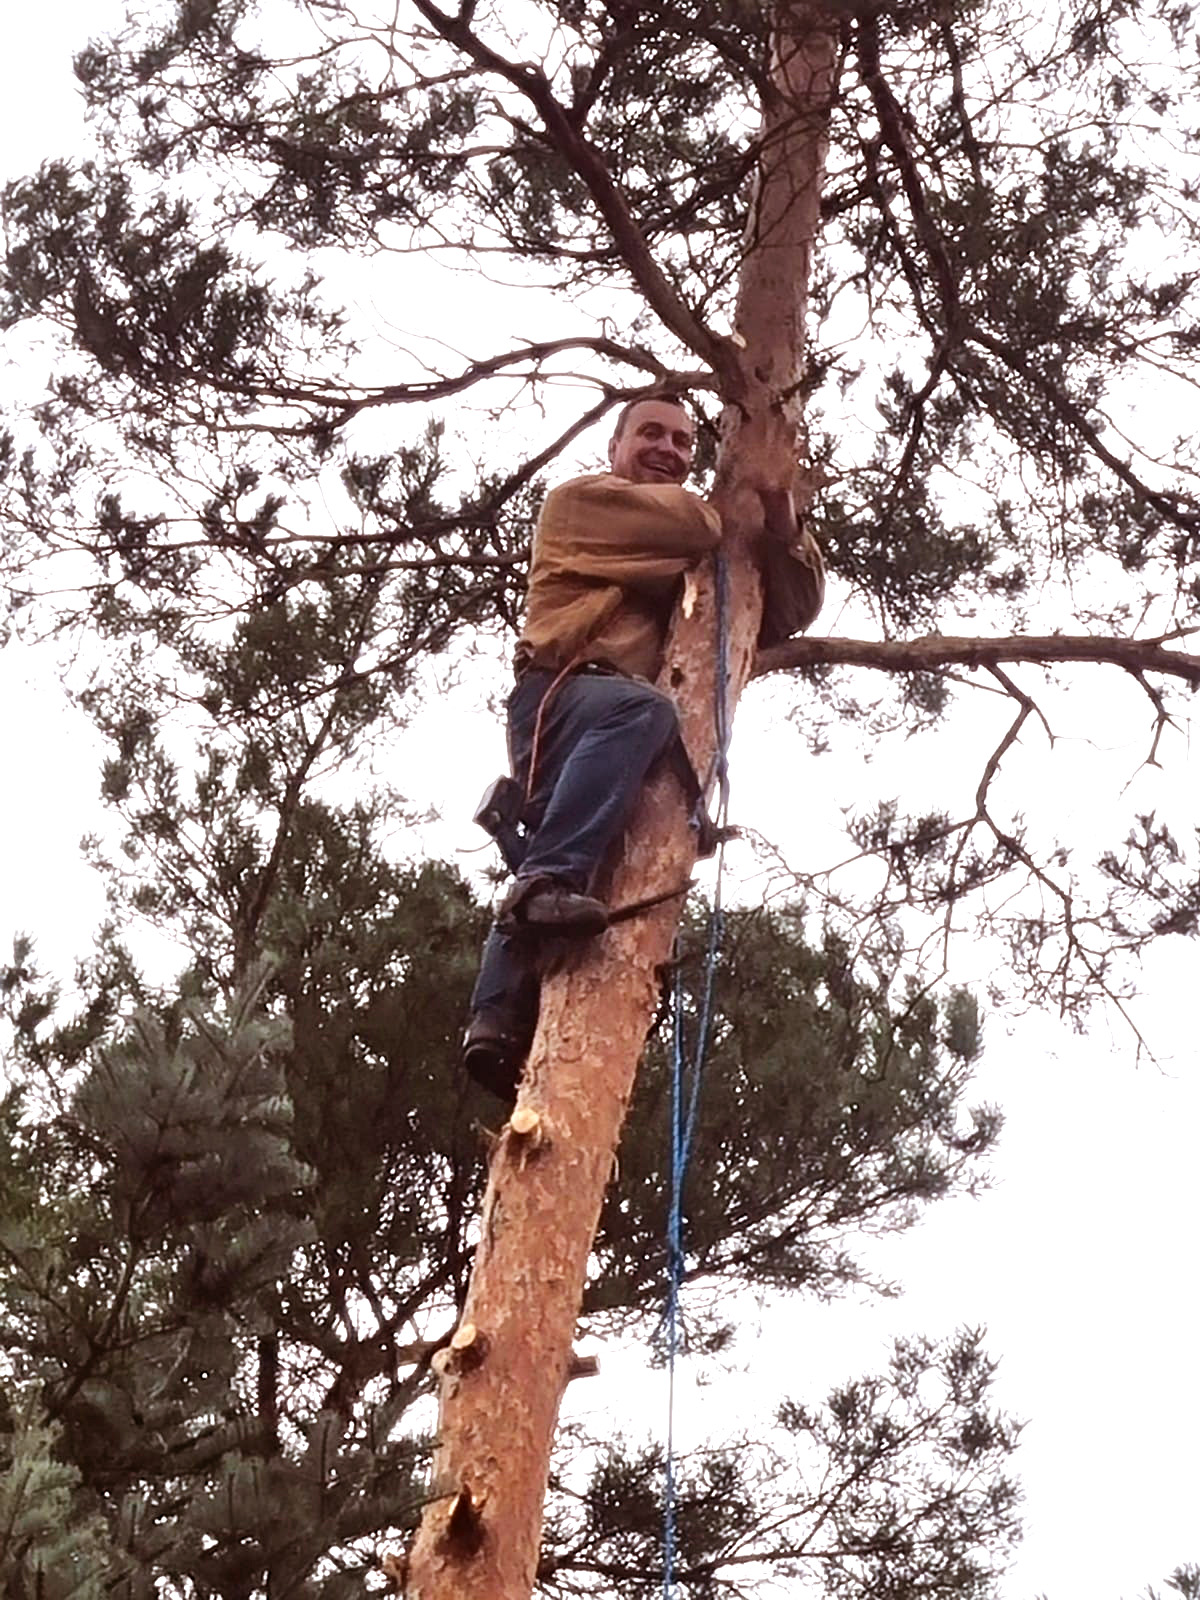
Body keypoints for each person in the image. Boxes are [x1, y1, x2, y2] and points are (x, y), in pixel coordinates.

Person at [462, 393, 825, 1103]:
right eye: (650, 434)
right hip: (567, 697)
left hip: (615, 729)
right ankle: (543, 890)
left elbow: (786, 608)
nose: (668, 449)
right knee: (636, 718)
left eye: (684, 443)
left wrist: (787, 531)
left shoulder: (665, 545)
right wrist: (742, 501)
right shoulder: (582, 504)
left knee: (595, 860)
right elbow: (701, 522)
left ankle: (500, 1021)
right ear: (615, 447)